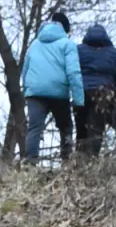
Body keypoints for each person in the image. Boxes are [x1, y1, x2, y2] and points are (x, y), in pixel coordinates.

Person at [20, 12, 84, 163]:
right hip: (58, 92)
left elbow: (25, 71)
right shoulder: (68, 44)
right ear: (66, 30)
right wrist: (78, 100)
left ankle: (30, 164)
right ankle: (66, 162)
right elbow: (73, 72)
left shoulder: (34, 44)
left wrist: (28, 90)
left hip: (34, 92)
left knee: (34, 128)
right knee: (65, 127)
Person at [74, 24, 116, 155]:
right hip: (103, 94)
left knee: (81, 128)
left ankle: (79, 159)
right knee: (97, 128)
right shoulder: (114, 53)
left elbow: (72, 70)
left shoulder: (78, 50)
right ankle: (92, 159)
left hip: (81, 93)